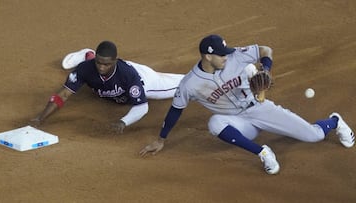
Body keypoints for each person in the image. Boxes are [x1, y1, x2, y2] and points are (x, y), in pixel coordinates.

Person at [139, 34, 354, 175]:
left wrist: (266, 70)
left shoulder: (235, 57)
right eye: (221, 55)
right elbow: (176, 110)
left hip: (260, 108)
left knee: (313, 136)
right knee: (215, 123)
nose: (227, 56)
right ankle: (263, 153)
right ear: (208, 56)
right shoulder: (190, 84)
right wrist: (161, 139)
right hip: (239, 123)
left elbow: (265, 50)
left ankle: (335, 121)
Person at [30, 41, 184, 134]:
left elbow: (142, 107)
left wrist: (123, 122)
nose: (102, 67)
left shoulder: (128, 75)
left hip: (146, 80)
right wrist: (40, 117)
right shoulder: (86, 69)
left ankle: (206, 77)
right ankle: (88, 54)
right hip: (119, 75)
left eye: (107, 64)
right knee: (95, 68)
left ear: (115, 61)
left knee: (185, 84)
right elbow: (63, 94)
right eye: (98, 62)